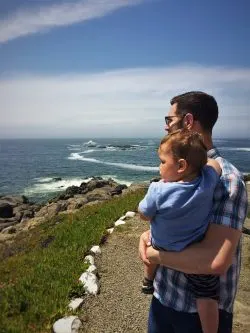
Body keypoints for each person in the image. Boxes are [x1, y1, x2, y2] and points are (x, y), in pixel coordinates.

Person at [139, 91, 248, 333]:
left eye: (170, 120)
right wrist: (147, 236)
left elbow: (215, 261)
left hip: (197, 316)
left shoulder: (228, 180)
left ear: (188, 122)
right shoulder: (180, 172)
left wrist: (155, 254)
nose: (166, 127)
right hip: (163, 297)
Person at [138, 129, 221, 333]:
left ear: (181, 165)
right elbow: (216, 166)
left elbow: (144, 213)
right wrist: (201, 163)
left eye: (163, 162)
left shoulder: (158, 190)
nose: (159, 167)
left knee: (150, 248)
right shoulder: (206, 183)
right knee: (207, 296)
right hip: (193, 251)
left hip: (162, 246)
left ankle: (148, 280)